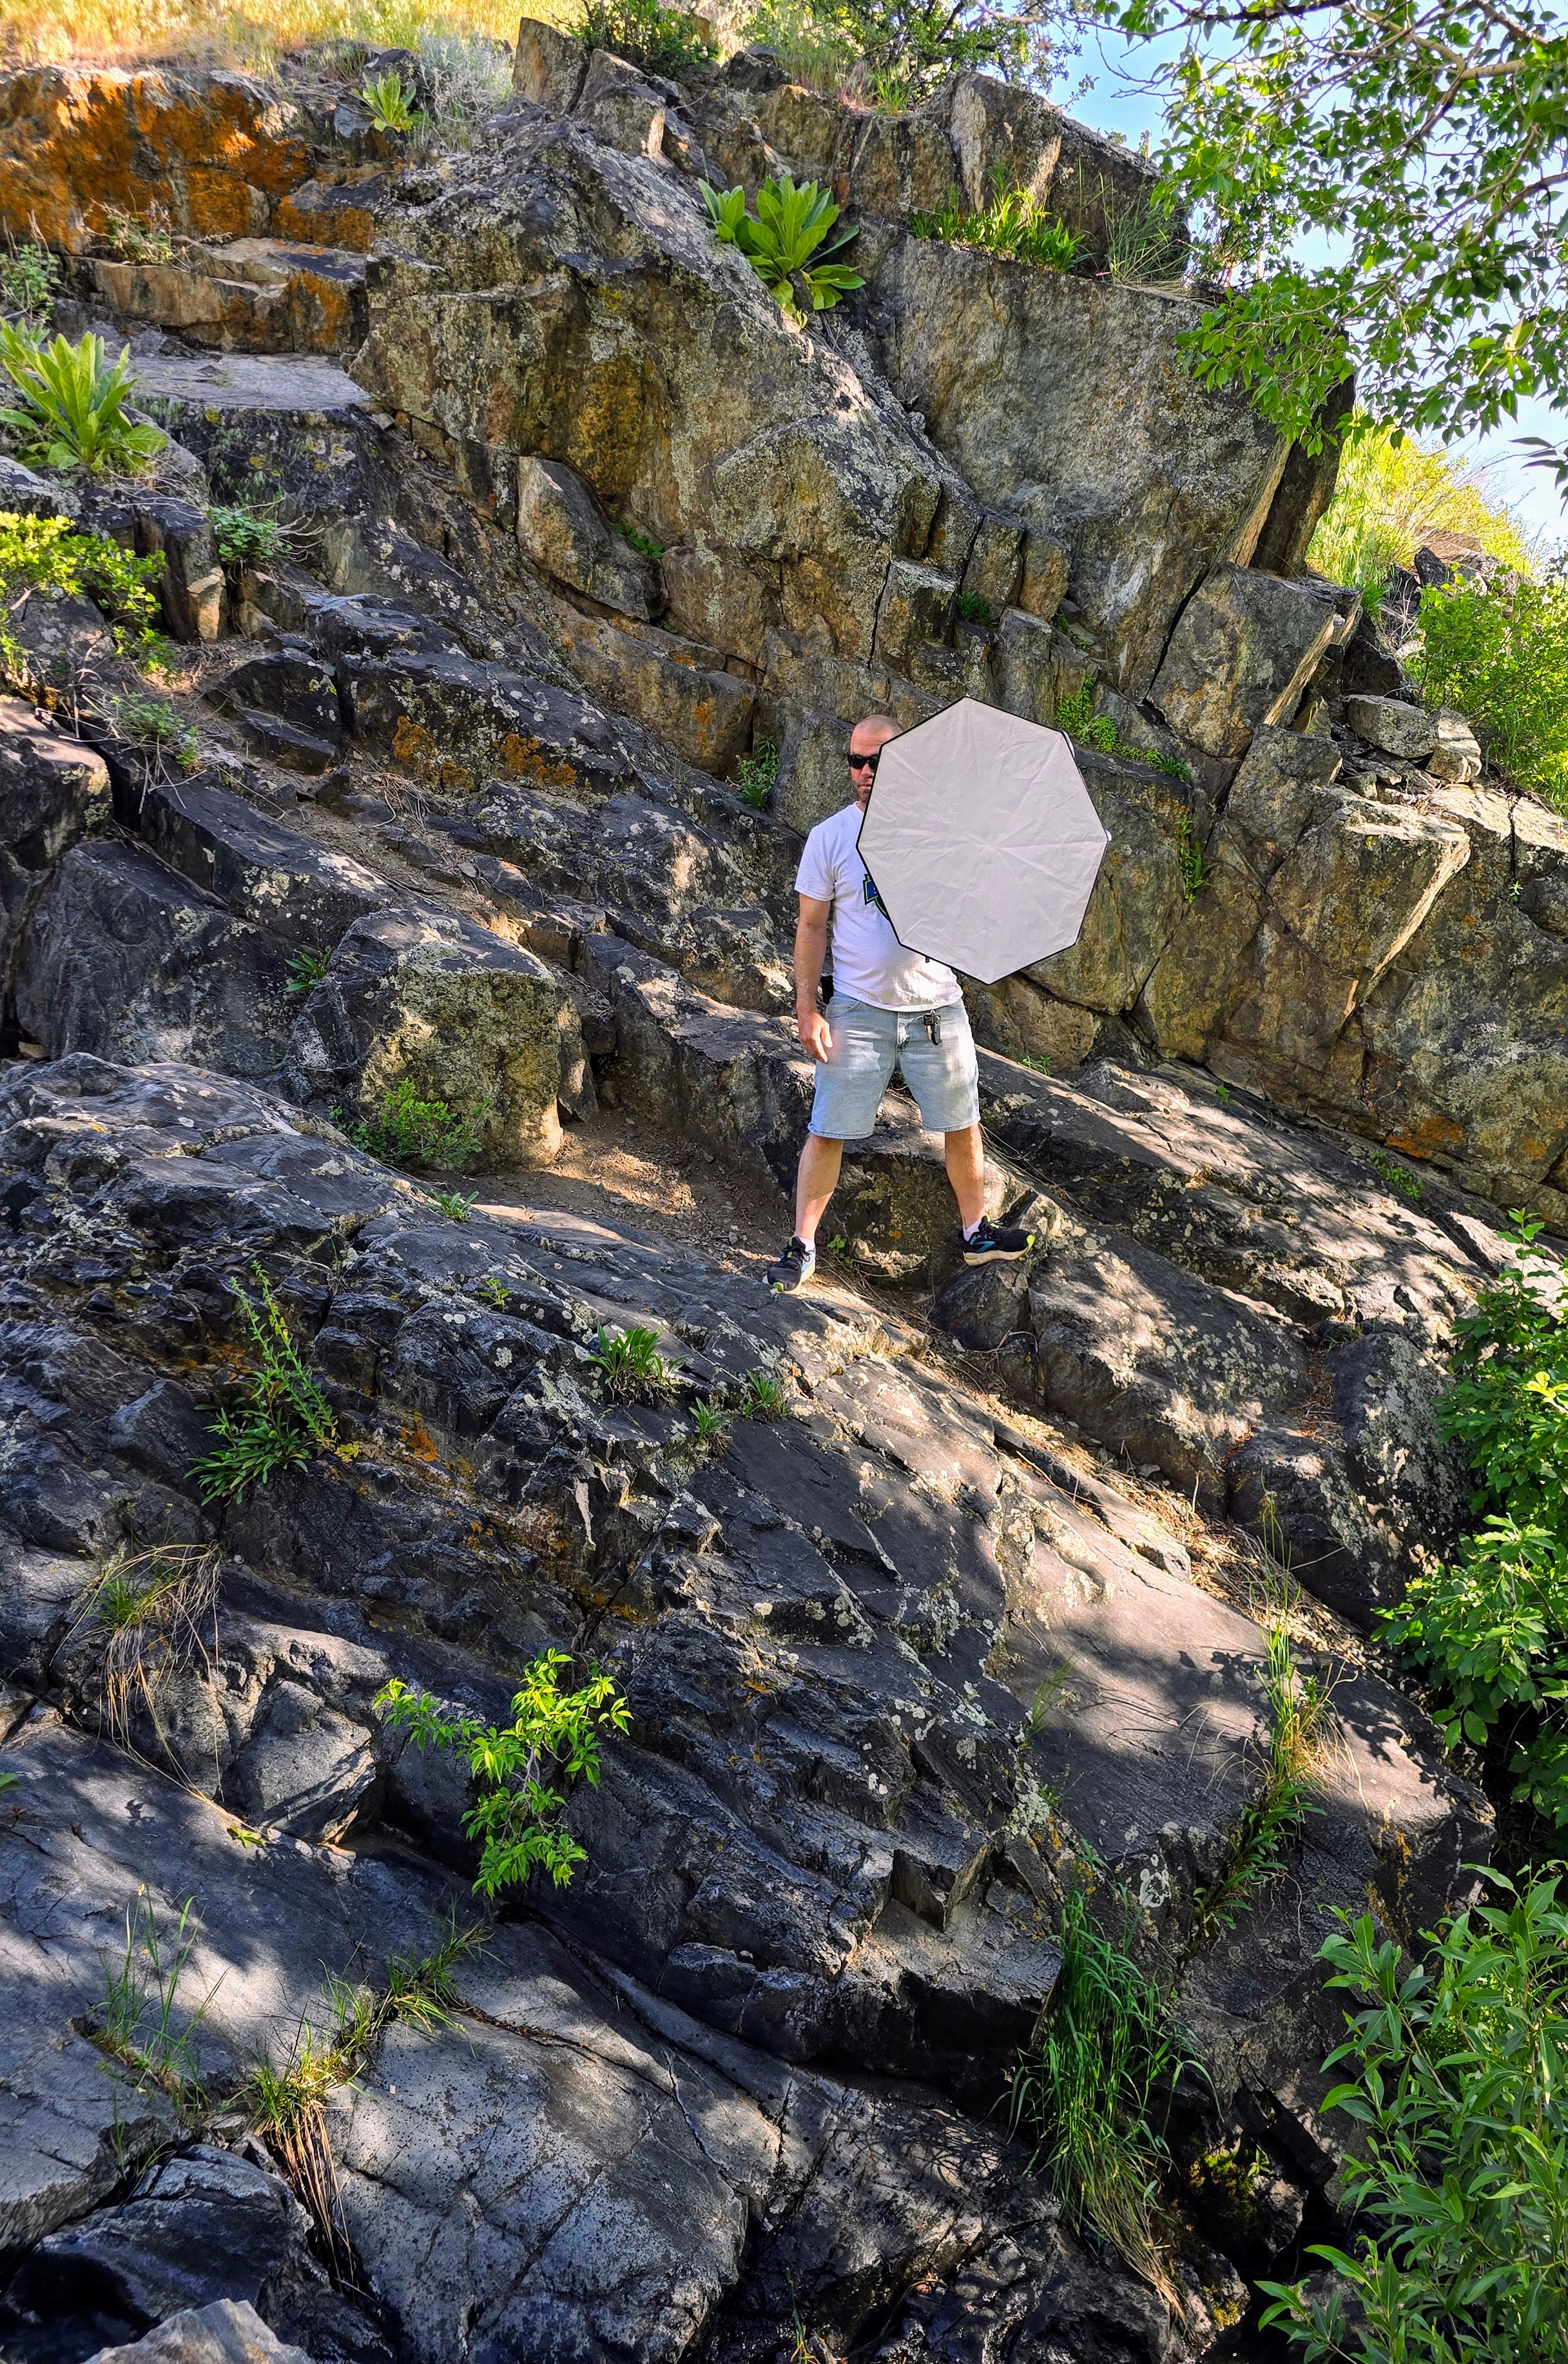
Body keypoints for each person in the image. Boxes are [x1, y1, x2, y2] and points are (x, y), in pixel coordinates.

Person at [765, 714, 1036, 1293]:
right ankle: (802, 1246)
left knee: (963, 1122)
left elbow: (978, 905)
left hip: (936, 1007)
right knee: (828, 1127)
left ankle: (975, 1233)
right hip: (858, 1008)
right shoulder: (830, 837)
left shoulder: (943, 834)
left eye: (875, 762)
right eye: (854, 761)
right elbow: (811, 927)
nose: (862, 773)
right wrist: (807, 1009)